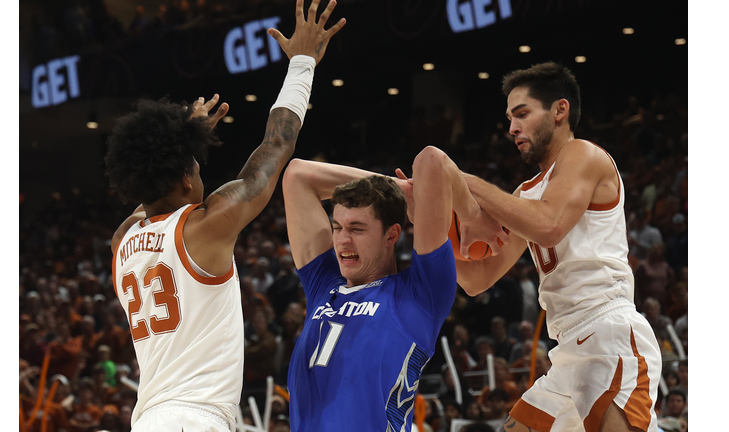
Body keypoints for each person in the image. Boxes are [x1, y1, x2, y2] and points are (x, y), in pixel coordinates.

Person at [104, 1, 346, 429]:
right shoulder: (203, 226)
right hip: (194, 419)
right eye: (195, 165)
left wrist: (181, 142)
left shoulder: (122, 242)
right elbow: (277, 145)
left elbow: (149, 189)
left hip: (148, 419)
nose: (201, 171)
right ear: (182, 179)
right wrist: (303, 63)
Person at [449, 62, 662, 431]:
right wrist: (431, 226)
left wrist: (459, 180)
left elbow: (548, 226)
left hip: (608, 332)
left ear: (560, 110)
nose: (512, 127)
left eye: (522, 114)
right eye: (509, 118)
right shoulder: (525, 194)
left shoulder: (583, 154)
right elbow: (476, 279)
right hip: (567, 350)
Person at [281, 144, 489, 431]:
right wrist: (401, 191)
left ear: (392, 235)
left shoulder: (417, 295)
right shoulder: (323, 285)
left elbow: (432, 160)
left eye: (356, 229)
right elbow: (296, 175)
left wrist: (469, 213)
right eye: (337, 227)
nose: (342, 240)